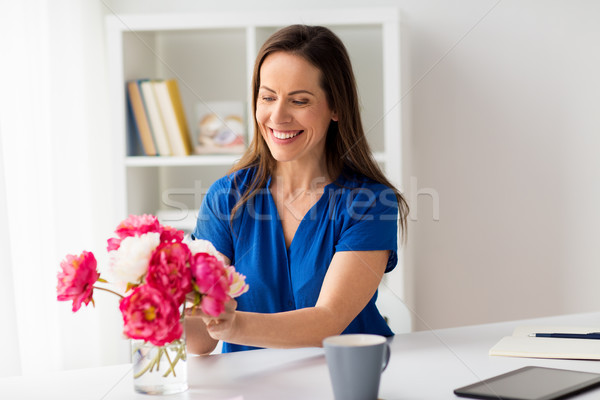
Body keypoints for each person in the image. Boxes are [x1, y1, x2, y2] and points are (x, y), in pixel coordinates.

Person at [185, 24, 409, 354]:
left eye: (299, 101)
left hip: (349, 381)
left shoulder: (370, 203)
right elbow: (201, 342)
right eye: (268, 97)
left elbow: (329, 320)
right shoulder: (225, 198)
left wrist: (234, 324)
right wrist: (156, 307)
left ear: (336, 108)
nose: (278, 116)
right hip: (256, 387)